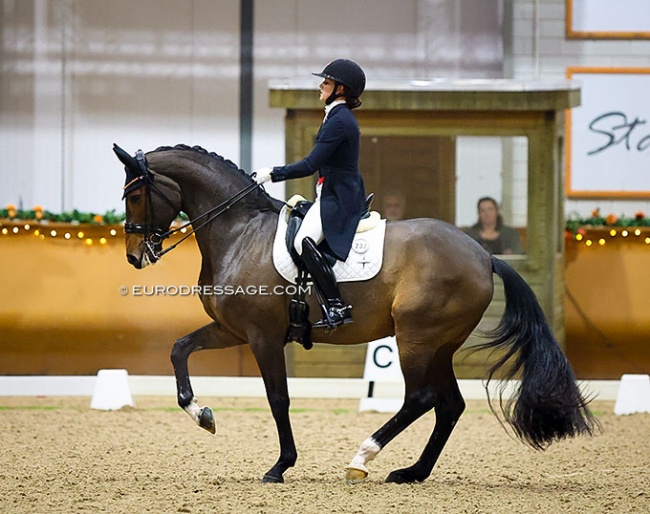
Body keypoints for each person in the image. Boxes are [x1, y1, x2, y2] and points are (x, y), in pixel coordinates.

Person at [253, 59, 367, 328]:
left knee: (303, 240)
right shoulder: (336, 116)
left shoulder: (340, 121)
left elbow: (309, 164)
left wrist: (272, 173)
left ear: (340, 89)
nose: (321, 85)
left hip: (339, 196)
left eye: (326, 82)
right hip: (332, 191)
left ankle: (336, 306)